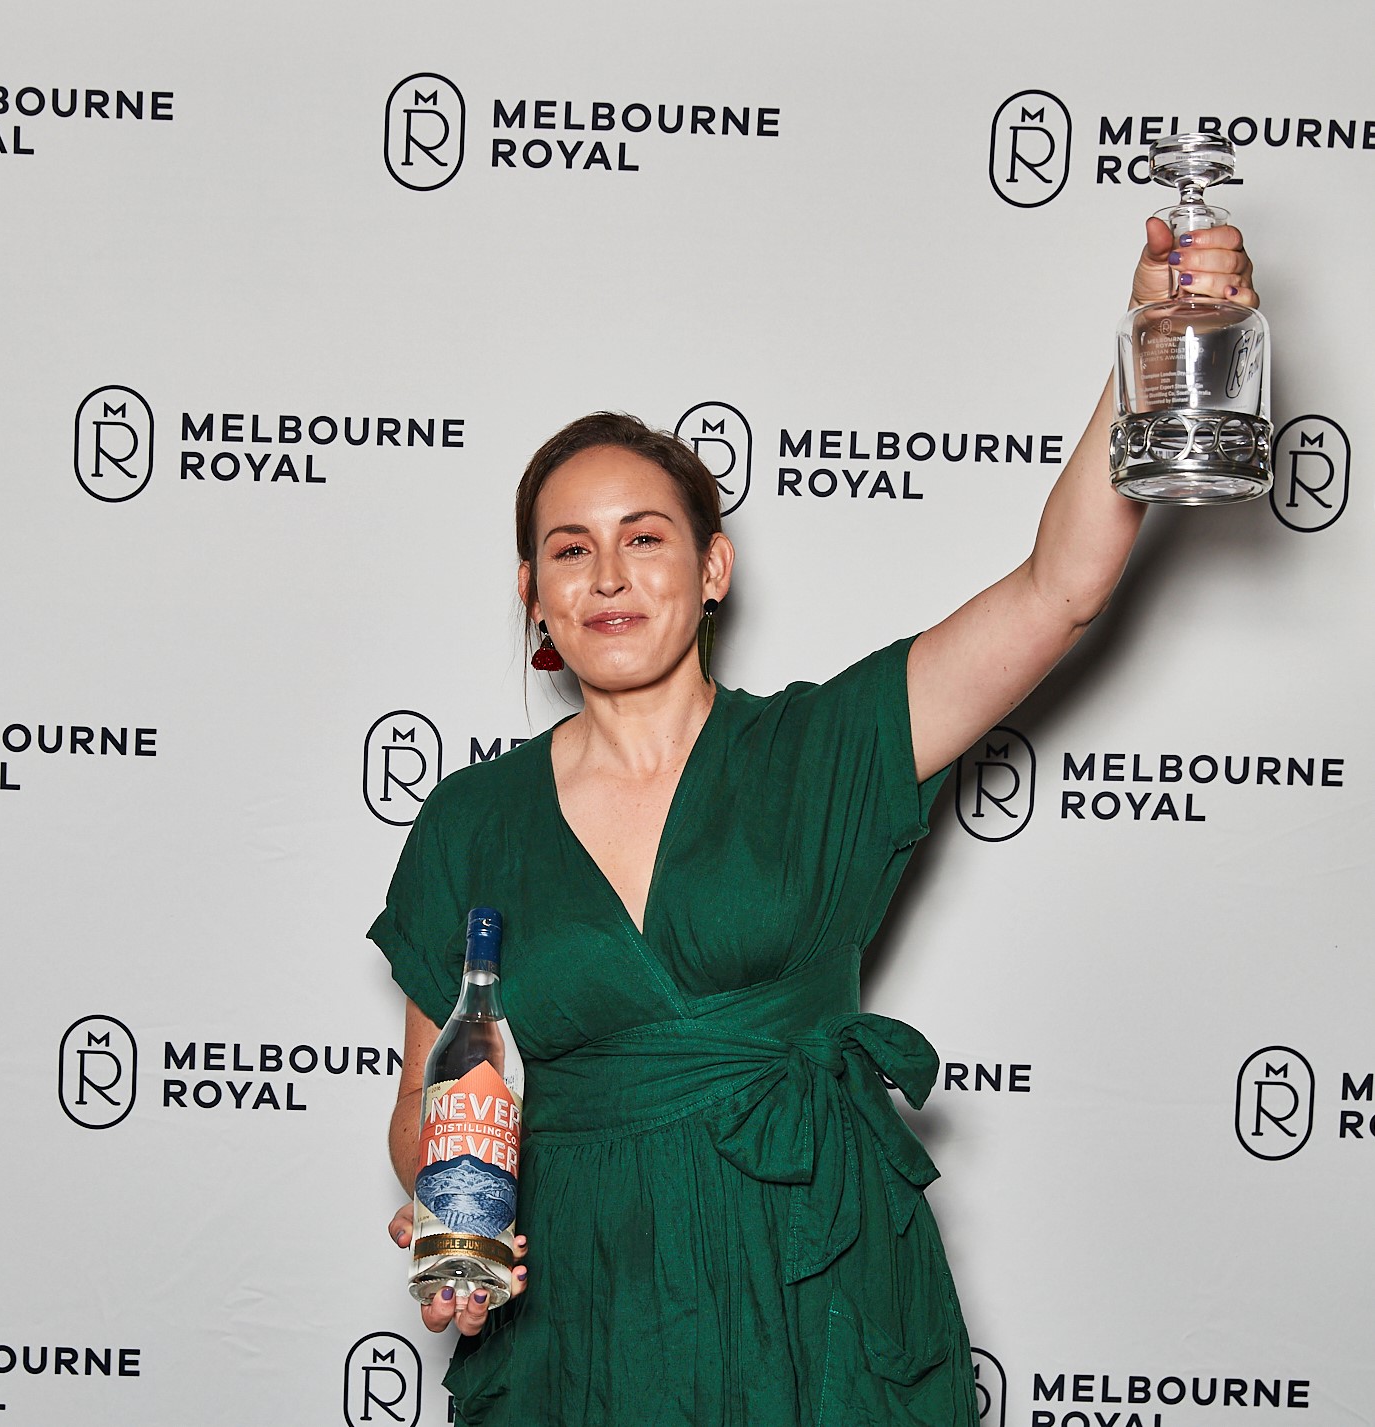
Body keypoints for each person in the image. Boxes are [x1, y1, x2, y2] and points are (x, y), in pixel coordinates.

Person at [369, 220, 1259, 1426]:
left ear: (712, 569)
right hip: (580, 1310)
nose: (608, 575)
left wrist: (1148, 340)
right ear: (533, 593)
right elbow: (428, 1096)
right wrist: (446, 1203)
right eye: (568, 550)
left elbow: (1059, 588)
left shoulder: (823, 748)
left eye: (645, 537)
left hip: (816, 1287)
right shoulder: (470, 819)